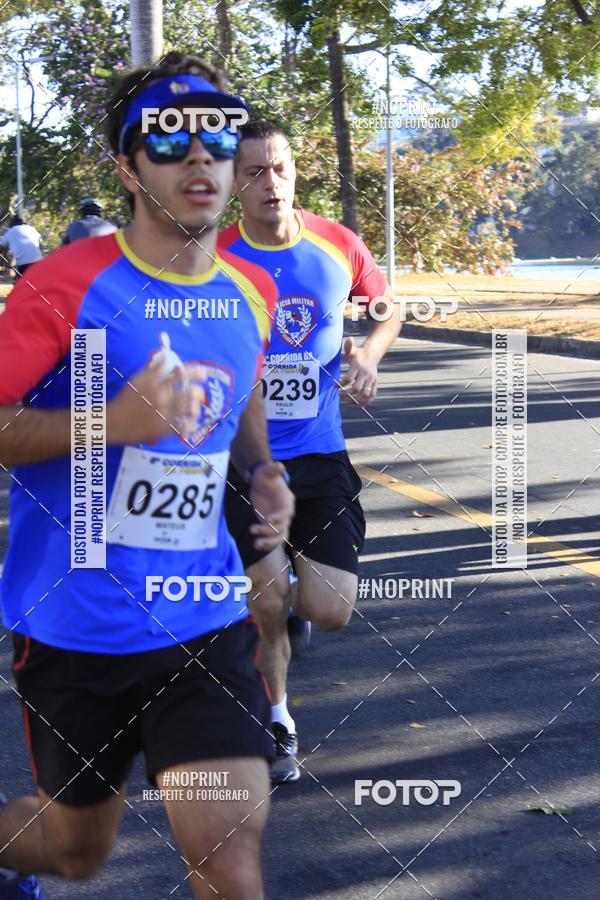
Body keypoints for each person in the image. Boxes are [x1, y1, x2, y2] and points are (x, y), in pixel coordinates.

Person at [0, 54, 294, 900]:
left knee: (229, 865)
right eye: (169, 144)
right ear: (129, 168)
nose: (199, 158)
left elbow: (240, 402)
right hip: (72, 629)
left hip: (202, 626)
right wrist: (114, 423)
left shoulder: (247, 294)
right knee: (73, 854)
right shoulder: (62, 286)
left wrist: (265, 470)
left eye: (217, 138)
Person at [220, 120, 402, 784]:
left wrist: (369, 357)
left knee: (329, 610)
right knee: (265, 599)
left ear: (296, 171)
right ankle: (279, 716)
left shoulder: (336, 244)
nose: (271, 183)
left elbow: (386, 308)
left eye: (280, 168)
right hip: (246, 458)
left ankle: (288, 607)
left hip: (321, 453)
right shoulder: (214, 256)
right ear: (232, 185)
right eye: (254, 172)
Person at [0, 214, 43, 280]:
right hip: (39, 262)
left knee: (23, 285)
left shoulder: (11, 231)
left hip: (23, 264)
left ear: (12, 224)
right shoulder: (31, 229)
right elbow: (40, 246)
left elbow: (1, 247)